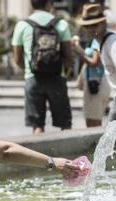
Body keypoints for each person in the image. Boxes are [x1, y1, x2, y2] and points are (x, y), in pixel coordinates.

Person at [12, 0, 74, 134]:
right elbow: (69, 57)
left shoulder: (22, 25)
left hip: (33, 78)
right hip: (57, 78)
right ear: (49, 4)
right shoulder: (61, 24)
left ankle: (39, 154)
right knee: (65, 124)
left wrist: (29, 70)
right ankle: (68, 154)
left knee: (37, 126)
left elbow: (17, 59)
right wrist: (67, 73)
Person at [72, 33, 110, 128]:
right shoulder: (95, 40)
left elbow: (94, 62)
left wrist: (78, 53)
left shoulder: (97, 40)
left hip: (96, 83)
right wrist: (77, 47)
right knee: (93, 121)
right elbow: (88, 56)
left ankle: (96, 143)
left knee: (93, 124)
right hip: (95, 82)